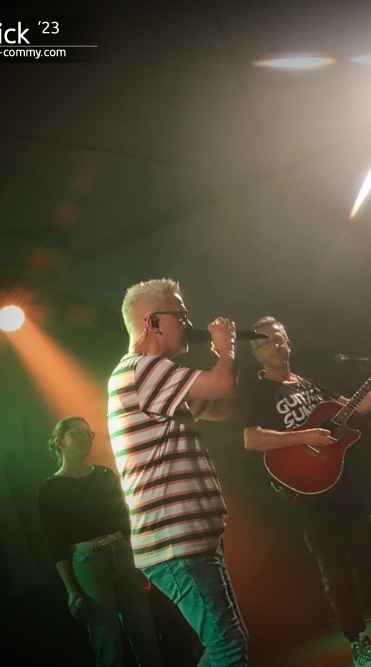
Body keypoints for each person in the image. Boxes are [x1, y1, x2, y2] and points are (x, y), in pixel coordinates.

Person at [243, 317, 371, 667]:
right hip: (308, 493)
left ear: (288, 342)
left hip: (342, 481)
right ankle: (358, 642)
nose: (273, 345)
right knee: (335, 571)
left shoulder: (311, 384)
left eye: (277, 338)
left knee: (368, 557)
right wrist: (304, 436)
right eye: (263, 342)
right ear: (256, 354)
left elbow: (359, 408)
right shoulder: (261, 393)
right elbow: (251, 438)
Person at [108, 278, 247, 666]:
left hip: (188, 539)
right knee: (228, 647)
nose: (189, 323)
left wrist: (228, 359)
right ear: (153, 322)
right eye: (181, 316)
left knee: (228, 644)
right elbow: (222, 384)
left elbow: (222, 405)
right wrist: (226, 350)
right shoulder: (142, 370)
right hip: (176, 541)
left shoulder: (157, 377)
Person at [37, 416, 164, 667]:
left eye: (89, 432)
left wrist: (139, 563)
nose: (86, 437)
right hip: (88, 561)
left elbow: (125, 521)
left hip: (123, 554)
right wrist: (71, 591)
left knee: (146, 635)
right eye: (77, 432)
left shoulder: (104, 475)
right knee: (108, 644)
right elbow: (55, 542)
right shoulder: (50, 488)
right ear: (60, 442)